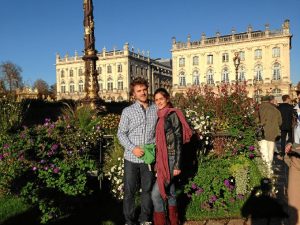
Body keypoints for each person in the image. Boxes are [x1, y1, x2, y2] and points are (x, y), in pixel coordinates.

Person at [117, 77, 157, 225]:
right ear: (134, 94)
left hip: (148, 157)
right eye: (139, 91)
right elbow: (121, 133)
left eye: (144, 90)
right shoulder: (127, 111)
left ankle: (145, 219)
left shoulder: (155, 108)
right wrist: (133, 148)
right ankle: (129, 220)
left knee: (147, 190)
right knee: (129, 192)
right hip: (131, 158)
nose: (142, 93)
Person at [151, 88, 192, 225]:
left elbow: (179, 140)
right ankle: (174, 222)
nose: (158, 102)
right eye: (156, 100)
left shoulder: (172, 114)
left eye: (161, 99)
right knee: (171, 191)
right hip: (163, 158)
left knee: (156, 194)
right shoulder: (161, 115)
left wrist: (177, 165)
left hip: (171, 158)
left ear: (167, 99)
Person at [258, 95, 282, 177]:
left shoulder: (258, 108)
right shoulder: (275, 109)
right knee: (270, 151)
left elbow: (255, 121)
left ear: (261, 100)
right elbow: (280, 122)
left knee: (263, 152)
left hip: (262, 133)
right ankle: (269, 170)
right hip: (273, 133)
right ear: (269, 101)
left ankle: (265, 171)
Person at [277, 95, 294, 160]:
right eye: (289, 98)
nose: (290, 99)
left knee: (283, 140)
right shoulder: (291, 107)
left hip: (282, 125)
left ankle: (282, 153)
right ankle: (289, 152)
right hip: (290, 125)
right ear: (287, 99)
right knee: (290, 139)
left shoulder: (279, 107)